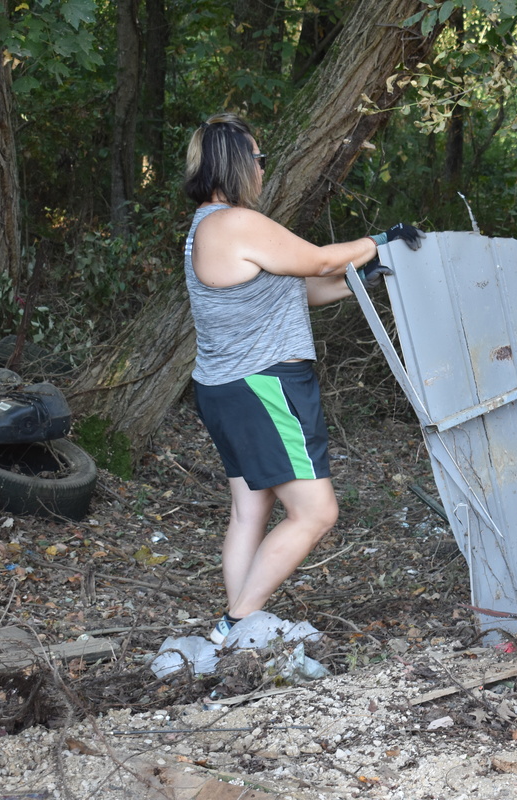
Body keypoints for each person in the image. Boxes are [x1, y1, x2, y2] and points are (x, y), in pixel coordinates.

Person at [182, 112, 425, 645]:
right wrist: (380, 239)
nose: (262, 168)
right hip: (262, 384)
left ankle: (238, 634)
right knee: (316, 512)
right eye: (258, 157)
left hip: (226, 387)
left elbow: (303, 290)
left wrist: (365, 276)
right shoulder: (234, 222)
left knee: (250, 511)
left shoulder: (208, 228)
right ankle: (236, 625)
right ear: (235, 163)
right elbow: (317, 262)